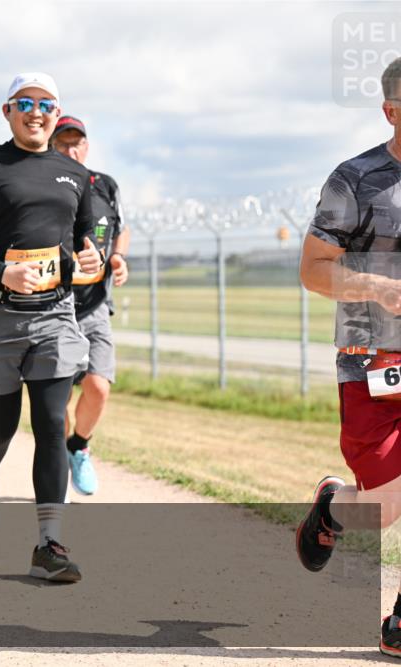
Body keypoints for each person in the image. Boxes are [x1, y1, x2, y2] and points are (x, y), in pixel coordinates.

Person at [0, 73, 101, 582]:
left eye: (46, 104)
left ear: (56, 112)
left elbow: (85, 239)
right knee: (0, 430)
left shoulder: (73, 175)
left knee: (49, 424)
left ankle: (50, 543)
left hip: (54, 317)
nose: (36, 112)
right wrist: (2, 272)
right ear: (7, 111)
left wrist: (94, 258)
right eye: (25, 103)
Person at [294, 57, 401, 659]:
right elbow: (313, 270)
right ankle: (335, 506)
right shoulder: (356, 178)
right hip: (372, 359)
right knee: (384, 510)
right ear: (390, 110)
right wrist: (379, 288)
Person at [49, 115, 131, 497]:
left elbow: (122, 228)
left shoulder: (105, 185)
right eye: (62, 143)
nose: (70, 149)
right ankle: (54, 466)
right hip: (53, 303)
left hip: (94, 304)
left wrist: (118, 257)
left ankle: (78, 446)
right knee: (59, 394)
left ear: (86, 145)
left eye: (76, 142)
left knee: (98, 386)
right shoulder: (42, 185)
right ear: (51, 146)